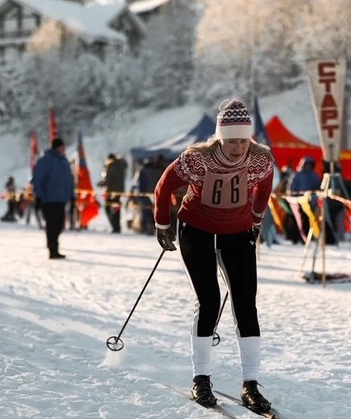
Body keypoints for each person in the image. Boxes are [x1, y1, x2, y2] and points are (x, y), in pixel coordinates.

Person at [153, 99, 274, 414]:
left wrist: (257, 220)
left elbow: (264, 187)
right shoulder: (197, 158)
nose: (236, 147)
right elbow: (164, 185)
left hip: (238, 231)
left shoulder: (261, 159)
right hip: (197, 229)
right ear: (220, 137)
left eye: (242, 140)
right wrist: (162, 223)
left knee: (246, 304)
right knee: (209, 301)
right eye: (230, 140)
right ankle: (201, 378)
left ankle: (250, 384)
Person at [32, 138, 75, 259]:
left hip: (61, 199)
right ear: (57, 148)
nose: (64, 149)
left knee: (60, 225)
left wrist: (72, 197)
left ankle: (54, 246)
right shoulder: (45, 161)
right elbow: (38, 179)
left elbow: (69, 181)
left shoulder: (64, 162)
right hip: (48, 199)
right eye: (62, 147)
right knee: (52, 225)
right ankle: (52, 249)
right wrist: (39, 196)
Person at [98, 153, 128, 233]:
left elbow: (108, 180)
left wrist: (100, 184)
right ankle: (117, 227)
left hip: (111, 192)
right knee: (116, 209)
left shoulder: (111, 166)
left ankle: (115, 226)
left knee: (108, 208)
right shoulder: (121, 165)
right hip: (119, 191)